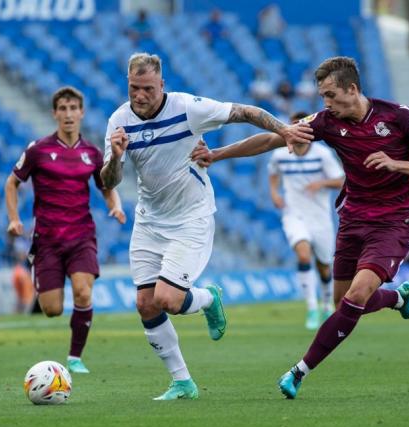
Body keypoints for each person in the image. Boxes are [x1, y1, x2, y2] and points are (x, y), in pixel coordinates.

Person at [192, 56, 409, 399]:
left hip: (392, 222)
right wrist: (218, 154)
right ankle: (395, 298)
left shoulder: (399, 116)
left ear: (352, 88)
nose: (325, 104)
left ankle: (298, 371)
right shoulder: (327, 122)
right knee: (345, 301)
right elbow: (272, 141)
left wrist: (395, 163)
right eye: (322, 96)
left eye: (330, 95)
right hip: (352, 220)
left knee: (356, 297)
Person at [100, 52, 312, 400]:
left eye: (148, 89)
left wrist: (284, 129)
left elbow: (244, 112)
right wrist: (118, 155)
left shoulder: (187, 108)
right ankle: (182, 382)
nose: (140, 96)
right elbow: (108, 180)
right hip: (149, 221)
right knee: (144, 303)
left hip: (190, 218)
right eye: (134, 88)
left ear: (162, 85)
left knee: (166, 298)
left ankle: (209, 298)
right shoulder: (118, 122)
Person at [5, 86, 126, 374]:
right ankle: (48, 291)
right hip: (47, 240)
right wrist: (14, 218)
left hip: (82, 236)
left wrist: (115, 205)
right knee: (52, 309)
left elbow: (106, 185)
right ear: (55, 114)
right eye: (63, 109)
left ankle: (75, 357)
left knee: (83, 293)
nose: (69, 114)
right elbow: (12, 183)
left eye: (74, 108)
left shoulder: (92, 153)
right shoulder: (38, 150)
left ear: (81, 113)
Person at [268, 111, 345, 330]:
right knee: (303, 255)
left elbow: (340, 180)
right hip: (294, 215)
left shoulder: (321, 154)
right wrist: (274, 193)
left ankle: (327, 304)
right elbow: (273, 173)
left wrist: (321, 184)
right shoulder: (281, 154)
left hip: (320, 217)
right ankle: (311, 307)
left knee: (324, 266)